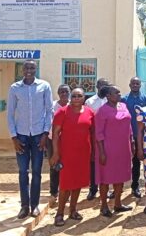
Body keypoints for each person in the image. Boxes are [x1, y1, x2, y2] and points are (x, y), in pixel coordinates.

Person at [7, 60, 53, 219]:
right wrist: (14, 137)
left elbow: (49, 111)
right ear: (22, 69)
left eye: (32, 67)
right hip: (21, 135)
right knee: (22, 171)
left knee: (37, 171)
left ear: (36, 69)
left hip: (39, 135)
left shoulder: (44, 86)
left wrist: (45, 134)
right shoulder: (15, 88)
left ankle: (35, 206)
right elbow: (10, 113)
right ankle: (24, 206)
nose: (29, 70)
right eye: (26, 67)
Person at [49, 88, 95, 226]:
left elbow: (92, 133)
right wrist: (55, 153)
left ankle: (73, 210)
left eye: (79, 96)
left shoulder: (89, 112)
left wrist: (94, 152)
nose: (76, 98)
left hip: (83, 154)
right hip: (67, 154)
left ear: (84, 98)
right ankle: (59, 213)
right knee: (65, 184)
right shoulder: (62, 112)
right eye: (74, 96)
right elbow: (55, 134)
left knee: (78, 182)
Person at [95, 85, 134, 217]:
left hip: (123, 148)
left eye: (119, 92)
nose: (119, 94)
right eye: (116, 93)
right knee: (105, 178)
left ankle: (118, 203)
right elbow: (98, 133)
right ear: (108, 96)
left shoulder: (123, 106)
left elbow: (129, 126)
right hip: (108, 149)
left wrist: (132, 142)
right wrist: (101, 152)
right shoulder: (102, 111)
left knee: (120, 176)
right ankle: (104, 206)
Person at [122, 76, 146, 199]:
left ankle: (136, 186)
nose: (135, 85)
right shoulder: (123, 100)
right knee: (124, 162)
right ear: (129, 85)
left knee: (138, 162)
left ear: (140, 85)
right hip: (126, 136)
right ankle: (119, 187)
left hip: (142, 136)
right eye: (133, 83)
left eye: (137, 83)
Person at [85, 77, 110, 201]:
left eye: (107, 85)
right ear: (97, 87)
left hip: (109, 135)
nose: (104, 88)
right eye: (102, 85)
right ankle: (93, 189)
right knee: (93, 162)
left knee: (107, 161)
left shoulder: (110, 100)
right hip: (94, 135)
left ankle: (106, 188)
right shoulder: (90, 102)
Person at [47, 84, 70, 200]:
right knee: (54, 165)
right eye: (62, 92)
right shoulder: (52, 106)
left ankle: (66, 191)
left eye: (66, 91)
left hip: (68, 140)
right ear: (58, 93)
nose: (64, 94)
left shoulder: (73, 105)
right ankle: (54, 192)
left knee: (67, 166)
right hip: (52, 138)